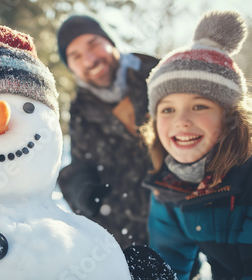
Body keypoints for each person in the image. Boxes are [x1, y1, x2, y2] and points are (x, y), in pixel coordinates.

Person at [141, 10, 252, 280]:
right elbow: (169, 262)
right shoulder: (170, 184)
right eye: (167, 110)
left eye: (199, 106)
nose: (181, 121)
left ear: (229, 115)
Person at [56, 14, 159, 248]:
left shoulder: (157, 75)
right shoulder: (81, 110)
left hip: (180, 230)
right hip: (121, 239)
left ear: (110, 42)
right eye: (76, 56)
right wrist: (80, 188)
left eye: (93, 44)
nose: (90, 60)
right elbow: (83, 163)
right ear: (71, 67)